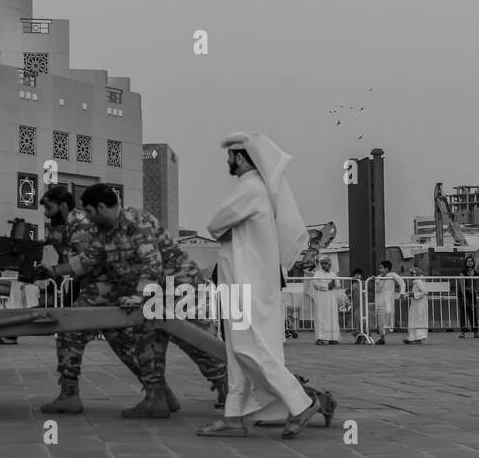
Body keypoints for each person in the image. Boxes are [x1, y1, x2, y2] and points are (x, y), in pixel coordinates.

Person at [200, 131, 334, 438]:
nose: (227, 160)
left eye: (230, 155)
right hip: (241, 283)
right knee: (237, 352)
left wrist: (225, 230)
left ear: (241, 157)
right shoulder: (256, 190)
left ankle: (301, 403)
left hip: (247, 285)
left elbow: (215, 224)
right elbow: (222, 228)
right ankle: (233, 416)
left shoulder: (251, 189)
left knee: (249, 349)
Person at [35, 184, 162, 415]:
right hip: (113, 287)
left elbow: (90, 261)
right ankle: (160, 395)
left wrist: (136, 295)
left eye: (49, 208)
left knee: (69, 329)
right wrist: (54, 270)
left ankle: (69, 395)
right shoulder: (95, 224)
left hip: (105, 288)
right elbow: (88, 258)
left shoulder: (80, 222)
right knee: (123, 343)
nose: (46, 213)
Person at [116, 205, 229, 412]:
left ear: (101, 207)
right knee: (147, 338)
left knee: (196, 339)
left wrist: (138, 295)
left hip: (180, 283)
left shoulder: (134, 221)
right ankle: (155, 398)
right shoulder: (111, 229)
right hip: (159, 290)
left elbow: (151, 261)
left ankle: (230, 389)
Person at [310, 256, 342, 344]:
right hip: (321, 299)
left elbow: (338, 285)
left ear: (330, 264)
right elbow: (315, 284)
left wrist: (334, 285)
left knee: (333, 318)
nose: (324, 265)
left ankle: (333, 338)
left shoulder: (333, 274)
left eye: (326, 263)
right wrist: (327, 286)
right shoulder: (317, 274)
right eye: (322, 264)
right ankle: (320, 338)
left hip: (331, 299)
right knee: (321, 317)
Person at [373, 260, 405, 344]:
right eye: (380, 268)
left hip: (388, 301)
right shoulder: (378, 277)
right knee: (380, 320)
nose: (380, 270)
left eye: (381, 268)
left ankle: (388, 329)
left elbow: (402, 283)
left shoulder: (392, 275)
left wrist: (402, 293)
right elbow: (378, 289)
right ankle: (382, 337)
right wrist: (378, 280)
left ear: (387, 268)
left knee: (388, 314)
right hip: (380, 301)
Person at [458, 256, 479, 338]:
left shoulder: (476, 272)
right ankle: (462, 333)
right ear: (466, 263)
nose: (470, 262)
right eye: (468, 261)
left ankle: (476, 332)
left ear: (473, 262)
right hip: (463, 294)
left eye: (471, 261)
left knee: (473, 313)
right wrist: (464, 297)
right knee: (463, 313)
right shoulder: (462, 273)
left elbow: (476, 284)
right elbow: (461, 286)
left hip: (472, 294)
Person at [404, 267, 428, 344]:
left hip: (419, 304)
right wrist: (411, 294)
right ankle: (412, 338)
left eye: (411, 274)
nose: (410, 276)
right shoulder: (418, 281)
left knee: (418, 320)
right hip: (416, 303)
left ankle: (418, 339)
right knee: (414, 319)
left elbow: (424, 292)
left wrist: (413, 294)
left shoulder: (418, 281)